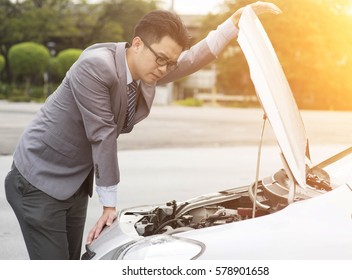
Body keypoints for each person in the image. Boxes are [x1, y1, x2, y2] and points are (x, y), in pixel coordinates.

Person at [4, 1, 281, 260]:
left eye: (169, 63)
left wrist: (233, 23)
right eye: (161, 59)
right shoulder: (95, 67)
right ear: (137, 44)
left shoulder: (146, 70)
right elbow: (103, 135)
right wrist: (110, 206)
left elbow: (190, 60)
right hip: (37, 183)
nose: (165, 69)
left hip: (73, 184)